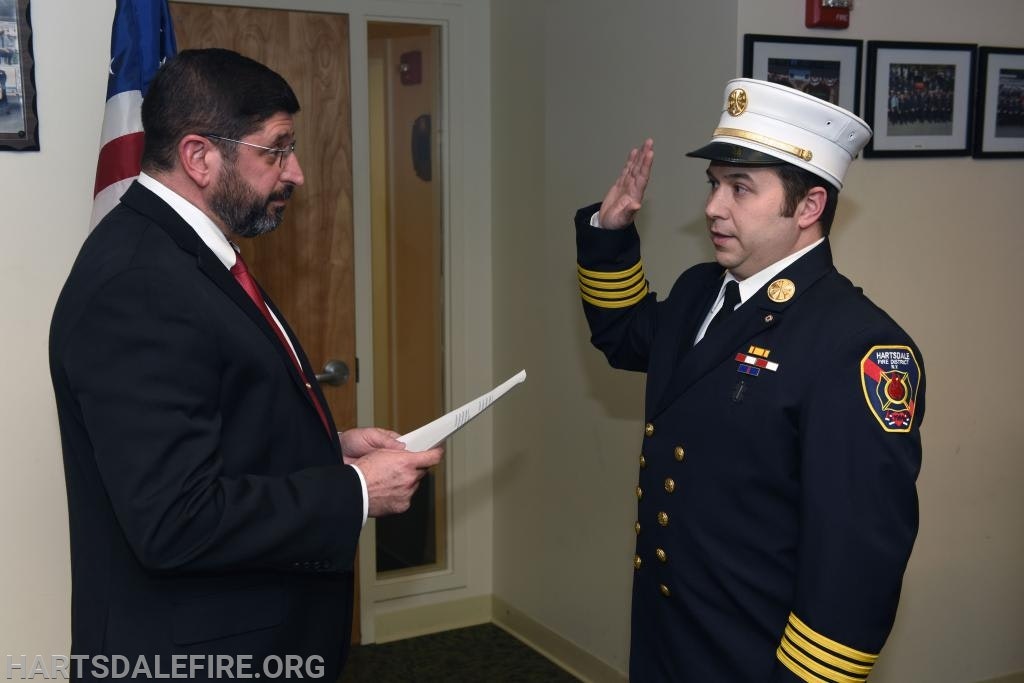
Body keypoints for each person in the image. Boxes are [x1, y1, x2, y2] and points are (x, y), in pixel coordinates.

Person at [49, 48, 443, 682]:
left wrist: (329, 450)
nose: (299, 174)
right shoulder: (140, 284)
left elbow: (210, 421)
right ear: (200, 156)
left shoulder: (186, 255)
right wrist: (357, 490)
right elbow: (175, 521)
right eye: (277, 150)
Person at [575, 78, 925, 681]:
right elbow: (627, 336)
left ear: (809, 207)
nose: (713, 207)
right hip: (670, 634)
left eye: (741, 189)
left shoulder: (858, 346)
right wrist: (609, 233)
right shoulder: (698, 291)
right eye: (715, 185)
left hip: (754, 655)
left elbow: (856, 555)